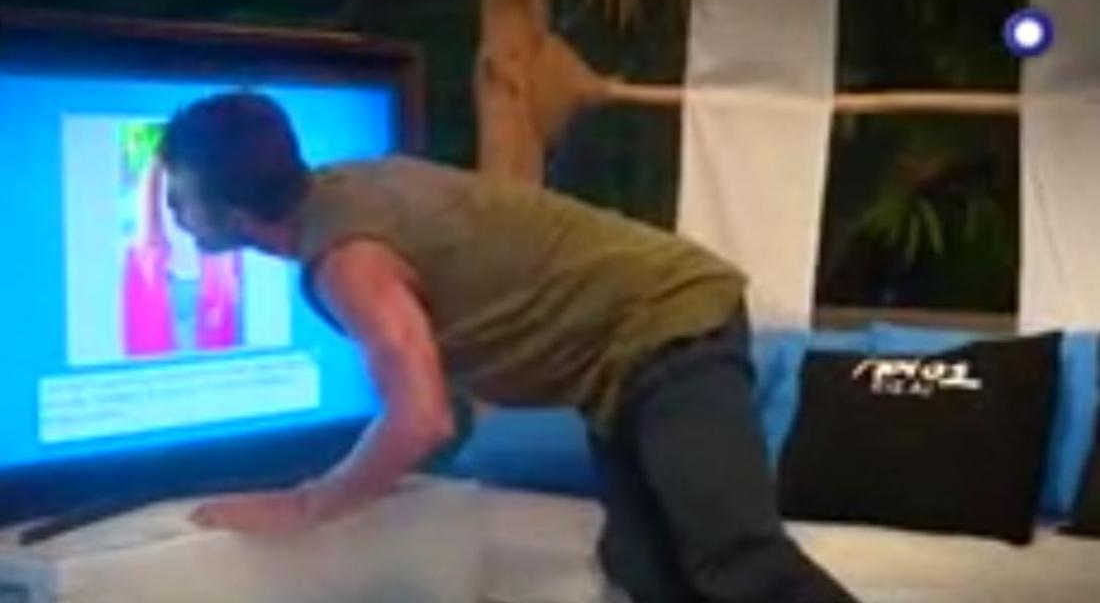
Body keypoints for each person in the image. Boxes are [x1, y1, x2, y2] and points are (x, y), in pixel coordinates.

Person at [161, 92, 858, 602]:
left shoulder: (350, 259)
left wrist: (307, 504)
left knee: (735, 562)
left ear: (236, 213)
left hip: (666, 325)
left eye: (180, 198)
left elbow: (421, 419)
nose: (172, 215)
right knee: (646, 569)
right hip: (618, 363)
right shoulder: (342, 193)